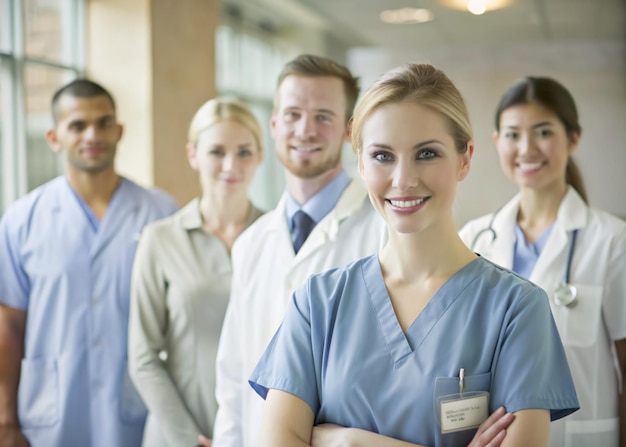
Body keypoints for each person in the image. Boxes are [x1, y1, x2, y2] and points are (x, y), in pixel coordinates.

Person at [249, 63, 580, 447]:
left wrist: (346, 442)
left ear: (465, 159)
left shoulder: (517, 309)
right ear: (360, 163)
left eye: (426, 153)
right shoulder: (318, 303)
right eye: (382, 156)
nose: (403, 179)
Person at [210, 54, 389, 447]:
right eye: (292, 114)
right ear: (274, 123)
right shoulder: (252, 244)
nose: (305, 130)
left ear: (349, 129)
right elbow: (233, 376)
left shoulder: (384, 233)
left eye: (323, 116)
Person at [0, 79, 179, 447]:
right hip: (50, 417)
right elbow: (9, 326)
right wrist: (4, 419)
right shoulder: (22, 221)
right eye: (78, 125)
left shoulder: (162, 214)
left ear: (120, 130)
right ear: (54, 136)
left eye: (104, 122)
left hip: (140, 416)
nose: (92, 134)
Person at [459, 76, 626, 447]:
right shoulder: (472, 239)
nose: (527, 148)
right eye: (513, 134)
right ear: (496, 142)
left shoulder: (613, 242)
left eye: (543, 132)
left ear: (573, 138)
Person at [128, 97, 264, 447]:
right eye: (217, 151)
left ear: (260, 156)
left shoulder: (278, 237)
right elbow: (143, 357)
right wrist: (189, 439)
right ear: (194, 155)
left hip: (261, 429)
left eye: (244, 152)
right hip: (179, 435)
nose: (231, 165)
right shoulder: (160, 240)